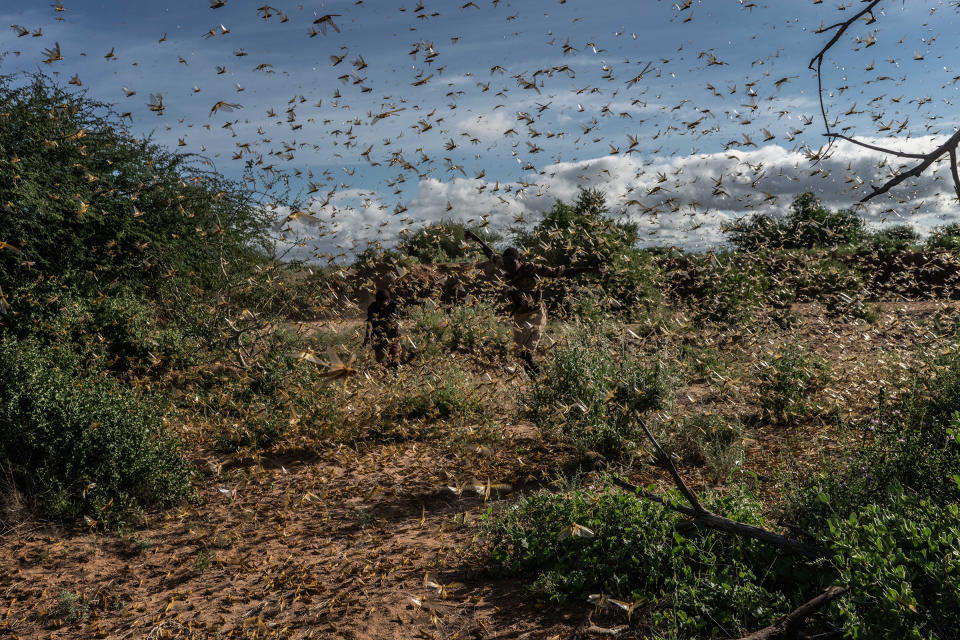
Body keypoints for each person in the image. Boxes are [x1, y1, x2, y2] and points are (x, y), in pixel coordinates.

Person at [465, 230, 601, 374]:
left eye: (512, 263)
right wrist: (474, 236)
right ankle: (536, 383)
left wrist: (589, 269)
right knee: (521, 355)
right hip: (519, 315)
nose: (509, 267)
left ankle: (542, 379)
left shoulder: (531, 268)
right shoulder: (503, 264)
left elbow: (559, 272)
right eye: (507, 264)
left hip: (536, 313)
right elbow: (488, 250)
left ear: (519, 261)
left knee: (526, 352)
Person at [364, 288, 401, 367]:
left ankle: (396, 374)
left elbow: (394, 322)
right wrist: (368, 336)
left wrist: (394, 339)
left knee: (394, 360)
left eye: (383, 304)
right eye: (379, 304)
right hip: (378, 336)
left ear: (388, 300)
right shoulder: (373, 307)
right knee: (381, 362)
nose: (381, 306)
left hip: (392, 335)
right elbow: (369, 322)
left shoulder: (394, 306)